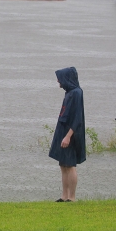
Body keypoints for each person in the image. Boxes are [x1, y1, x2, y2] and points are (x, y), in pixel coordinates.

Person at [49, 67, 86, 202]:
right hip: (63, 130)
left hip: (71, 132)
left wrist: (68, 136)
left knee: (70, 164)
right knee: (63, 164)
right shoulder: (69, 92)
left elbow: (77, 118)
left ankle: (72, 197)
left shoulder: (77, 93)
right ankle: (64, 195)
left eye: (60, 78)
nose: (58, 81)